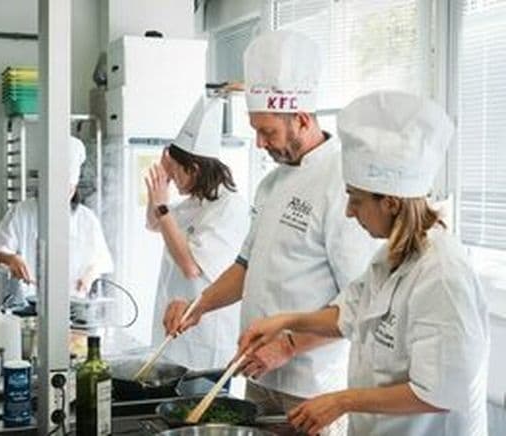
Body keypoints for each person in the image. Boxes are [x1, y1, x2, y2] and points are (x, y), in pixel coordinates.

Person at [163, 30, 379, 434]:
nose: (260, 144)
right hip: (259, 373)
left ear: (301, 118)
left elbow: (360, 298)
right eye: (256, 131)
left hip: (314, 385)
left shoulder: (342, 183)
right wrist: (199, 307)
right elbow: (246, 267)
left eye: (268, 132)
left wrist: (289, 345)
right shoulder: (271, 183)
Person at [237, 90, 489, 435]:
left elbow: (439, 393)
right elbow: (348, 314)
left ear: (390, 203)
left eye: (356, 200)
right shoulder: (389, 257)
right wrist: (286, 320)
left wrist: (342, 401)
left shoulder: (443, 275)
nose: (348, 211)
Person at [147, 96, 249, 370]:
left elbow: (191, 266)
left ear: (194, 169)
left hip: (205, 341)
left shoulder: (230, 208)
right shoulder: (194, 202)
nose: (175, 178)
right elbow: (153, 224)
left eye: (177, 172)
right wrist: (160, 189)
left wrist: (163, 206)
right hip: (173, 331)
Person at [0, 136, 113, 306]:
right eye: (54, 188)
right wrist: (11, 259)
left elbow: (101, 260)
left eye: (67, 190)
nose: (59, 195)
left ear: (74, 187)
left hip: (73, 307)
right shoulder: (21, 212)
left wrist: (90, 275)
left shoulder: (87, 219)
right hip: (27, 306)